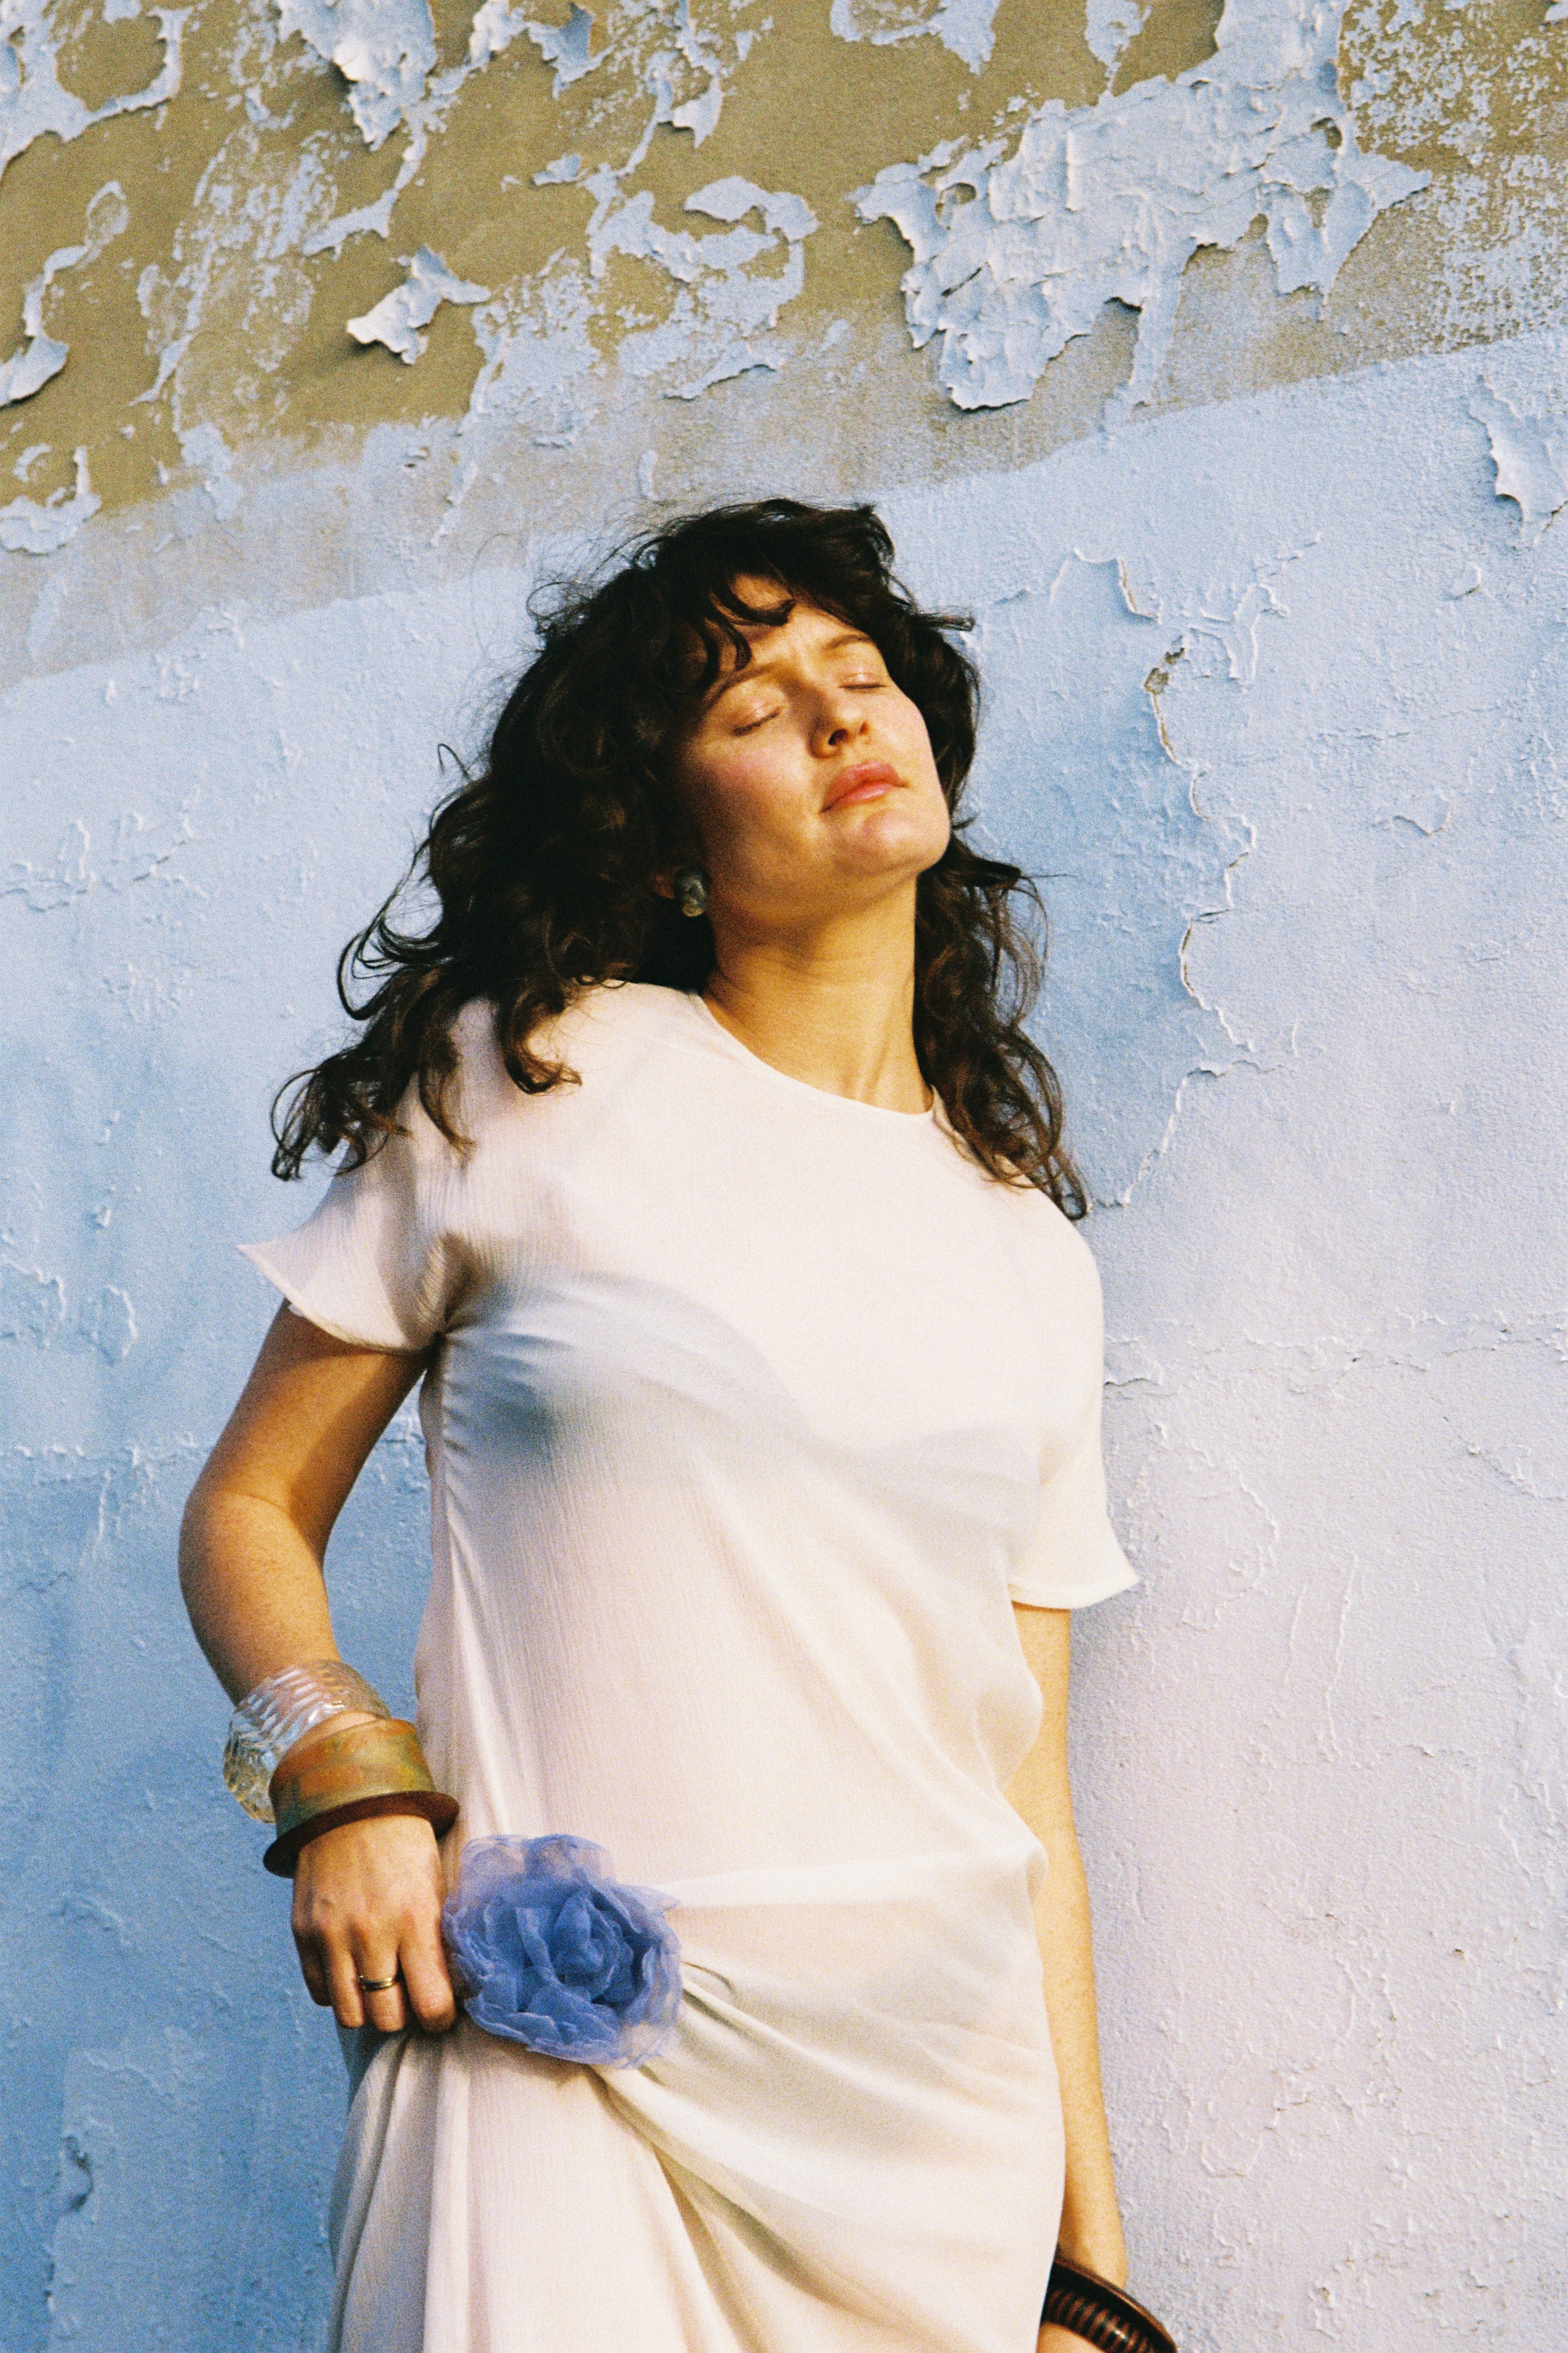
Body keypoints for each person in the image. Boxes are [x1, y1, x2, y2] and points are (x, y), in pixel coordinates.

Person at [180, 499, 1150, 2353]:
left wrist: (1086, 2275)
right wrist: (339, 1781)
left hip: (933, 2118)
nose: (834, 710)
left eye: (857, 673)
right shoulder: (522, 1080)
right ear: (666, 836)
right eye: (751, 704)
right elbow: (247, 1507)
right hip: (561, 2072)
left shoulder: (1027, 1250)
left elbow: (1027, 1793)